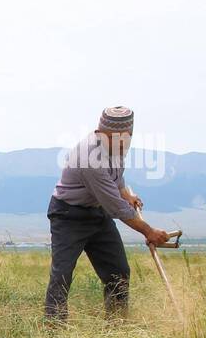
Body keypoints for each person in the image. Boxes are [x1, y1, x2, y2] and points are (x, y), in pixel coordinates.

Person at [44, 106, 171, 322]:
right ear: (101, 132)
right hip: (69, 216)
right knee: (62, 274)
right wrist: (149, 232)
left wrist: (125, 194)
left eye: (126, 138)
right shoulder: (89, 158)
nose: (121, 144)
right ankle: (53, 329)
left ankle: (117, 325)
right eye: (114, 138)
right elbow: (116, 208)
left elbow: (116, 179)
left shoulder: (118, 148)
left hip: (98, 213)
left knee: (118, 272)